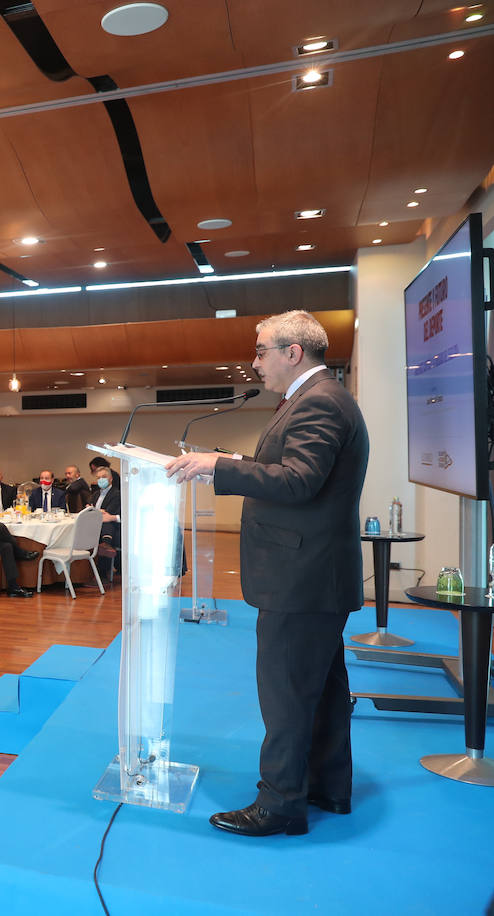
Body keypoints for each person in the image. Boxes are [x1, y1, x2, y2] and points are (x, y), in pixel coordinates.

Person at [167, 310, 368, 838]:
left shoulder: (319, 401)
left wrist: (218, 465)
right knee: (319, 689)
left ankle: (280, 804)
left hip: (302, 577)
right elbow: (292, 471)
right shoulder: (319, 397)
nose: (254, 362)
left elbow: (299, 481)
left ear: (292, 352)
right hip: (313, 573)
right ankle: (328, 787)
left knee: (284, 694)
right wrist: (231, 459)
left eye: (260, 351)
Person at [91, 466, 121, 580]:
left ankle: (102, 575)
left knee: (105, 524)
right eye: (98, 478)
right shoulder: (95, 494)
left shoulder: (116, 494)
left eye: (104, 477)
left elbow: (108, 515)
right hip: (95, 524)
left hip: (112, 526)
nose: (100, 480)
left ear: (111, 479)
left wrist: (96, 511)